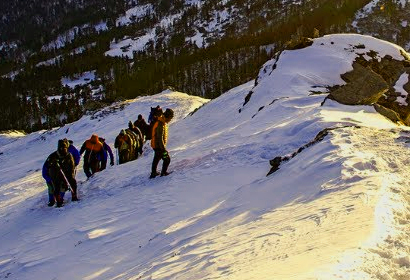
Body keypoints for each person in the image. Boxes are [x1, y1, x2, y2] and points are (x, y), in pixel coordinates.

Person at [42, 139, 77, 207]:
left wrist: (71, 176)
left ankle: (73, 196)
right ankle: (57, 201)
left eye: (64, 148)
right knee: (55, 188)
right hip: (54, 176)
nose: (63, 149)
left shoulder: (69, 155)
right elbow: (45, 168)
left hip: (65, 174)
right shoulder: (52, 156)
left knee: (69, 184)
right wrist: (48, 178)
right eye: (61, 148)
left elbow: (72, 166)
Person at [150, 108, 174, 178]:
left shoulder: (161, 122)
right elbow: (160, 138)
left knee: (157, 158)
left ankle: (153, 173)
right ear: (167, 116)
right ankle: (163, 173)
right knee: (167, 159)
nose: (170, 120)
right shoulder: (161, 124)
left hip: (156, 145)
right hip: (158, 146)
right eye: (170, 118)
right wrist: (163, 149)